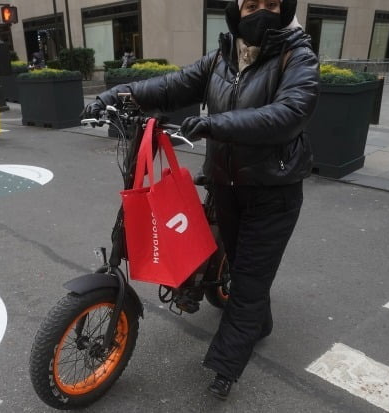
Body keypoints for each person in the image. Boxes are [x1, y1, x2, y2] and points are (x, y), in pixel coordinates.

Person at [82, 0, 319, 400]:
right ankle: (258, 322)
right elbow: (168, 87)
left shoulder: (297, 58)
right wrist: (113, 96)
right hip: (226, 185)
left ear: (283, 9)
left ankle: (225, 367)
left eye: (271, 3)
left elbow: (290, 113)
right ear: (236, 11)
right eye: (251, 4)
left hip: (273, 190)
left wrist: (214, 124)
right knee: (241, 263)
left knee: (248, 280)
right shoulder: (219, 60)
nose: (261, 11)